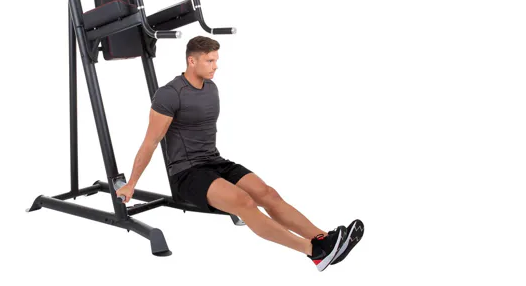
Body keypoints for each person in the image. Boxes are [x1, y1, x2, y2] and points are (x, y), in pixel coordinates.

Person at [115, 36, 363, 271]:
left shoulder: (211, 88)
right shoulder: (170, 94)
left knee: (268, 194)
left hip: (214, 161)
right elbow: (151, 142)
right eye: (210, 60)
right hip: (187, 173)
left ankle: (324, 239)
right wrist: (132, 184)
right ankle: (314, 252)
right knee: (244, 202)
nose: (215, 66)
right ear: (192, 61)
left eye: (216, 60)